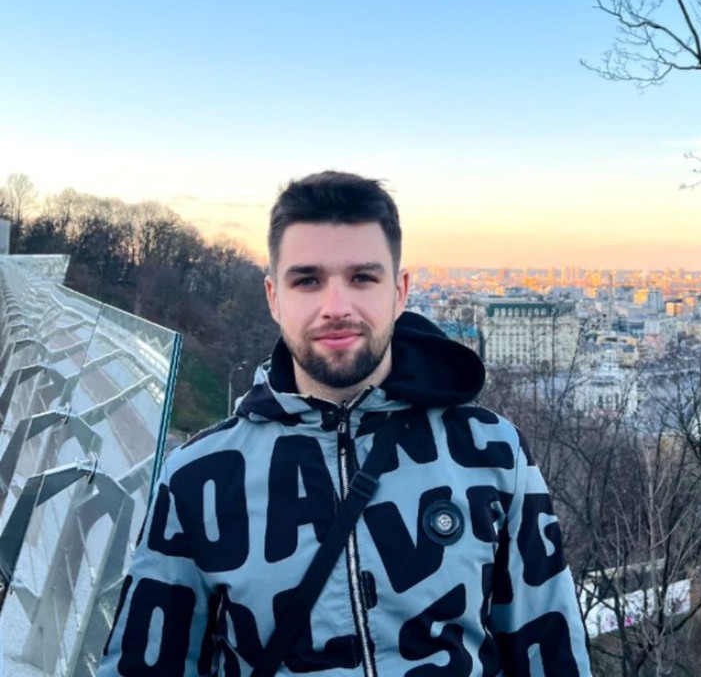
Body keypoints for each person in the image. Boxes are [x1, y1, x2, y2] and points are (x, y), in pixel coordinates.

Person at [98, 171, 592, 676]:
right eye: (307, 280)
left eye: (362, 278)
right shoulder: (197, 478)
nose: (335, 308)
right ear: (273, 297)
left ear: (399, 291)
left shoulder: (493, 454)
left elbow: (552, 651)